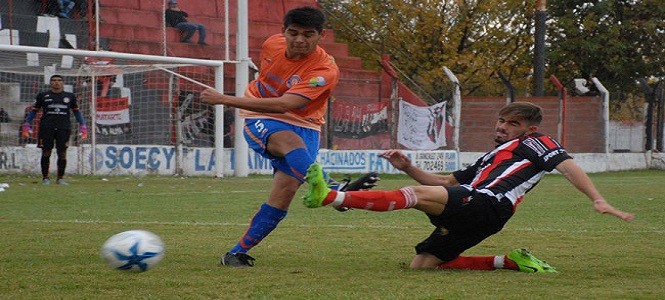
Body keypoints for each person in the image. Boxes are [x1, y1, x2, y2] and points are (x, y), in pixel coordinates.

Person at [303, 101, 634, 272]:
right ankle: (509, 261)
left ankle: (334, 196)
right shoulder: (493, 155)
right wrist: (409, 167)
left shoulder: (536, 141)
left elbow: (567, 166)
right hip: (477, 209)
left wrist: (598, 199)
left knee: (417, 197)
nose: (502, 126)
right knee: (423, 265)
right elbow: (446, 183)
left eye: (512, 123)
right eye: (502, 121)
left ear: (528, 128)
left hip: (490, 204)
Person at [200, 6, 378, 267]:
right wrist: (237, 101)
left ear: (321, 35)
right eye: (293, 33)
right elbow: (276, 103)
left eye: (308, 35)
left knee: (284, 192)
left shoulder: (324, 70)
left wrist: (222, 99)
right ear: (283, 32)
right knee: (290, 144)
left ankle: (235, 254)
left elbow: (286, 104)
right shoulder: (271, 45)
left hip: (305, 123)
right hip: (258, 113)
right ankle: (334, 191)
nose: (299, 40)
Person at [22, 74, 88, 185]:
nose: (56, 82)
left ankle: (60, 178)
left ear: (63, 82)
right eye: (54, 80)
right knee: (46, 152)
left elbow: (76, 111)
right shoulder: (43, 95)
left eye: (59, 80)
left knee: (62, 153)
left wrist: (83, 126)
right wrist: (26, 124)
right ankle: (45, 178)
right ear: (50, 82)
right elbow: (34, 110)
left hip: (64, 128)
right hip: (46, 128)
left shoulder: (70, 96)